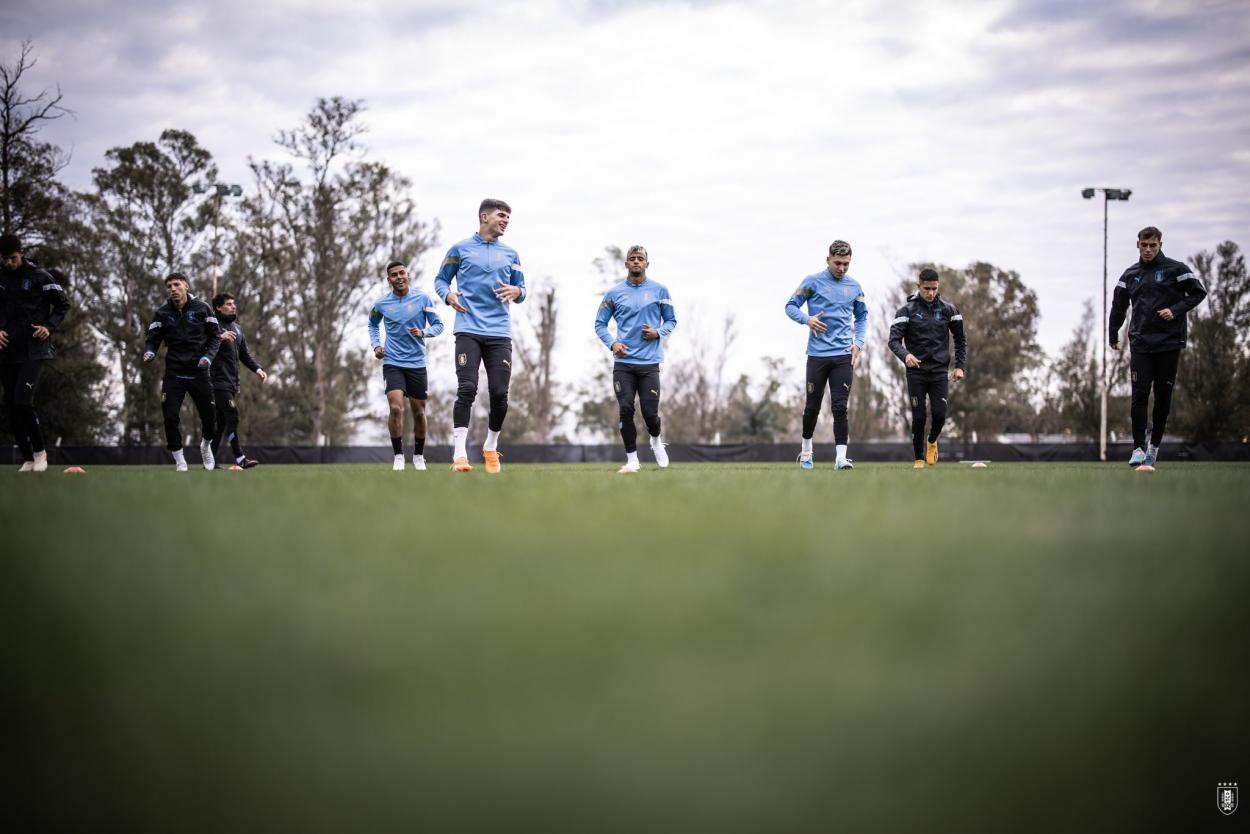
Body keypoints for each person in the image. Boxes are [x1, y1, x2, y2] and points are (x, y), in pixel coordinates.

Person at [434, 198, 526, 474]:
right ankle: (459, 455)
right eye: (501, 215)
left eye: (509, 217)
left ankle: (490, 446)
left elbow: (522, 289)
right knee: (467, 389)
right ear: (484, 217)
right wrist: (448, 295)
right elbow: (440, 280)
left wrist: (517, 292)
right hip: (467, 330)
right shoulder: (460, 249)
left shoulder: (511, 254)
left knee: (500, 394)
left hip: (499, 333)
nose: (506, 220)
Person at [1108, 226, 1207, 468]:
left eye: (1153, 245)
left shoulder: (1177, 270)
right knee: (1139, 395)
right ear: (1138, 245)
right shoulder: (1129, 275)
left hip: (1169, 342)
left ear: (1160, 244)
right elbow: (1118, 307)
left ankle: (1154, 447)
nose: (1149, 249)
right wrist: (1113, 333)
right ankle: (1138, 448)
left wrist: (1174, 310)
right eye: (1145, 245)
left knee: (1163, 397)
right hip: (1140, 343)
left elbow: (1198, 293)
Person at [785, 240, 868, 470]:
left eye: (846, 264)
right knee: (812, 407)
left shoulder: (855, 287)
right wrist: (807, 319)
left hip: (843, 356)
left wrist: (858, 344)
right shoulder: (812, 281)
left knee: (840, 407)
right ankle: (806, 451)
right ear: (828, 260)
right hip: (817, 356)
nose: (842, 268)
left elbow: (862, 317)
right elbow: (790, 306)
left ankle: (841, 458)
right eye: (838, 263)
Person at [594, 245, 676, 474]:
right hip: (624, 364)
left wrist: (658, 332)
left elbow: (671, 321)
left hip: (650, 364)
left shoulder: (661, 291)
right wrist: (613, 344)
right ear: (626, 264)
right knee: (626, 408)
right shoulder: (614, 293)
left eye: (641, 258)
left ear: (647, 264)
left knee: (650, 415)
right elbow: (599, 324)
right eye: (632, 258)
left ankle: (656, 441)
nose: (637, 261)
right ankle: (632, 461)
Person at [0, 234, 70, 472]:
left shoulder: (39, 276)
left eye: (13, 258)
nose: (9, 263)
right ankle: (28, 457)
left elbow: (63, 304)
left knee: (22, 401)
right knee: (10, 406)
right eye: (4, 259)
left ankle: (40, 453)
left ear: (21, 252)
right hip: (7, 352)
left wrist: (48, 327)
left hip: (34, 350)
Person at [888, 268, 967, 469]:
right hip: (916, 372)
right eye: (926, 289)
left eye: (934, 288)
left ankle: (932, 441)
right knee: (919, 416)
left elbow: (960, 340)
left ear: (938, 286)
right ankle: (919, 458)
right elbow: (894, 341)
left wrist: (959, 366)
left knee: (940, 414)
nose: (930, 293)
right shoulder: (906, 311)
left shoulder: (949, 310)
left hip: (940, 372)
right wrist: (906, 356)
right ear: (918, 287)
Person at [369, 260, 444, 471]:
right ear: (389, 280)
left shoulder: (423, 298)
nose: (399, 277)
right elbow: (372, 324)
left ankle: (419, 456)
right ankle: (399, 456)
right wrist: (376, 346)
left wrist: (424, 333)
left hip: (417, 363)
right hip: (393, 362)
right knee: (395, 407)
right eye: (394, 275)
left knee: (419, 412)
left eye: (402, 273)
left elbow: (438, 325)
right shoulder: (381, 304)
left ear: (408, 275)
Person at [143, 272, 221, 471]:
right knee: (170, 416)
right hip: (174, 372)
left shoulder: (203, 308)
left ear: (186, 286)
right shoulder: (161, 313)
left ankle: (206, 446)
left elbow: (215, 337)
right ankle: (180, 460)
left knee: (210, 417)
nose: (173, 289)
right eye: (169, 286)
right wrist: (150, 351)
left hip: (199, 370)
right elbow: (153, 338)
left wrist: (208, 358)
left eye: (176, 284)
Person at [210, 292, 268, 469]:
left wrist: (258, 369)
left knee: (220, 425)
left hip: (232, 384)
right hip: (216, 382)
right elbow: (200, 346)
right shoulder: (211, 327)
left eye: (233, 303)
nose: (233, 306)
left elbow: (244, 355)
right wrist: (218, 337)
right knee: (232, 416)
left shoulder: (238, 328)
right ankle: (240, 457)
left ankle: (209, 461)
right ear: (218, 307)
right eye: (228, 304)